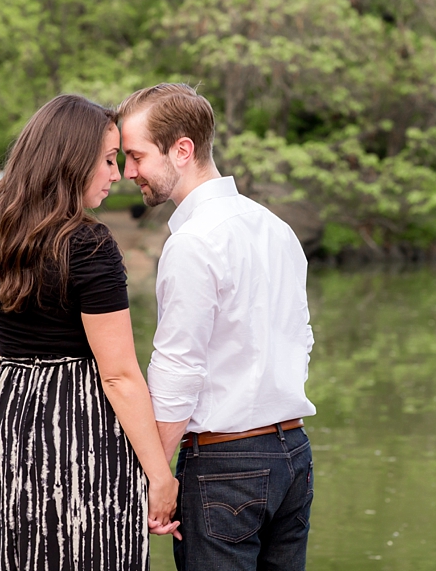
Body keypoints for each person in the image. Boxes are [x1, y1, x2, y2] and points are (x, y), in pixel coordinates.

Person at [0, 94, 179, 570]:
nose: (118, 174)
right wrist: (161, 477)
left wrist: (23, 420)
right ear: (70, 162)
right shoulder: (89, 245)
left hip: (9, 423)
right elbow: (119, 376)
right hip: (84, 432)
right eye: (107, 161)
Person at [118, 84, 317, 571]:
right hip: (293, 455)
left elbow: (177, 372)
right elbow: (303, 337)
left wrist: (154, 477)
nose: (128, 172)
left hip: (226, 468)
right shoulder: (274, 226)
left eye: (136, 155)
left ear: (181, 150)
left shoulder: (193, 243)